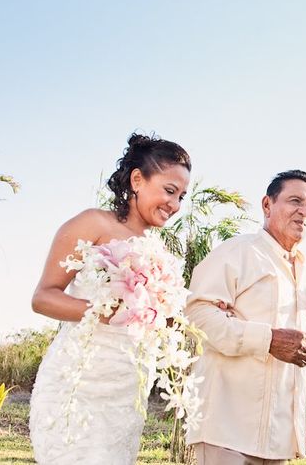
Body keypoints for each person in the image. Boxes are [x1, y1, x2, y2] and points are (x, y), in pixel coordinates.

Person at [28, 133, 191, 464]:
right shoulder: (93, 223)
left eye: (182, 197)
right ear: (137, 179)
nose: (174, 205)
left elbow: (155, 319)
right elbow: (43, 298)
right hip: (79, 383)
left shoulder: (161, 251)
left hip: (127, 389)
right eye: (169, 191)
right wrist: (102, 311)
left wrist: (167, 315)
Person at [185, 170, 306, 464]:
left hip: (277, 437)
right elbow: (198, 316)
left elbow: (294, 358)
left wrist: (299, 420)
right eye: (295, 200)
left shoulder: (304, 275)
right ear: (267, 205)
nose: (304, 211)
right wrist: (268, 340)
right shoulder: (236, 253)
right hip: (226, 429)